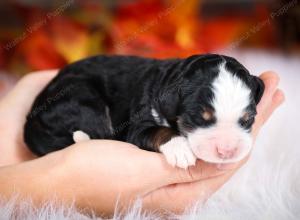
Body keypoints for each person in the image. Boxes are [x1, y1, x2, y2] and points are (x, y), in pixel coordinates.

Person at [0, 70, 284, 217]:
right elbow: (141, 130)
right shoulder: (159, 97)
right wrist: (166, 139)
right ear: (175, 102)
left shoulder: (178, 90)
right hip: (82, 96)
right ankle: (58, 137)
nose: (227, 146)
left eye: (244, 121)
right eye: (204, 120)